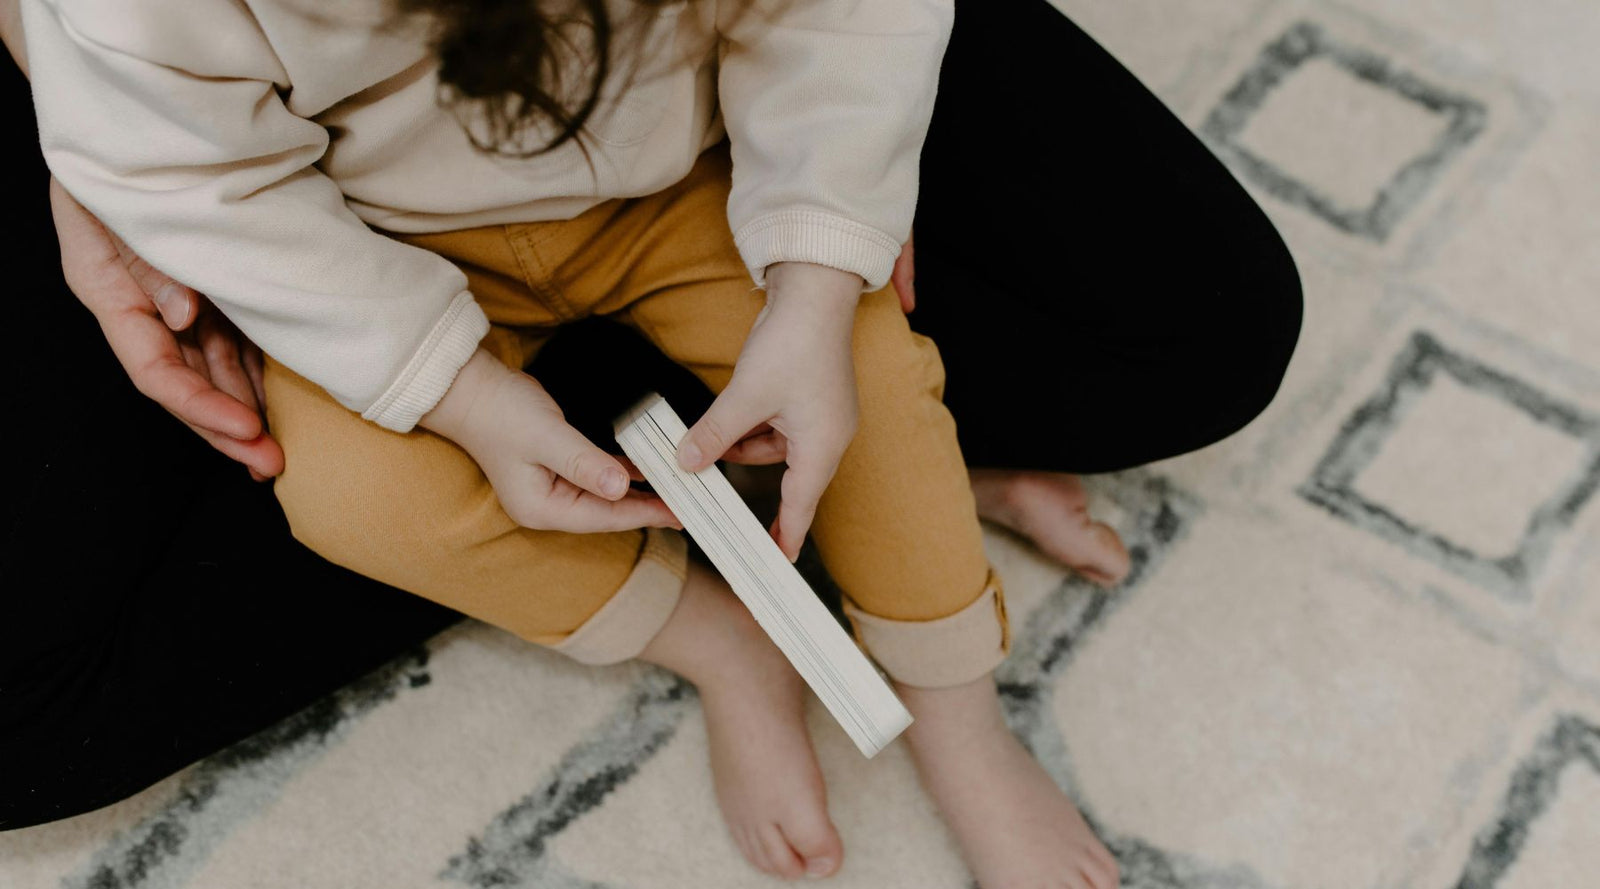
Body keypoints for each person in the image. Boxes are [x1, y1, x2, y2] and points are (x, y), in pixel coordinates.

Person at [1, 2, 1301, 888]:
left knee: (872, 370)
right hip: (375, 245)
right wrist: (447, 385)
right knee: (349, 496)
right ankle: (718, 635)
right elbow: (199, 178)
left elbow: (837, 22)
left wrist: (812, 261)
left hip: (677, 187)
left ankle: (958, 713)